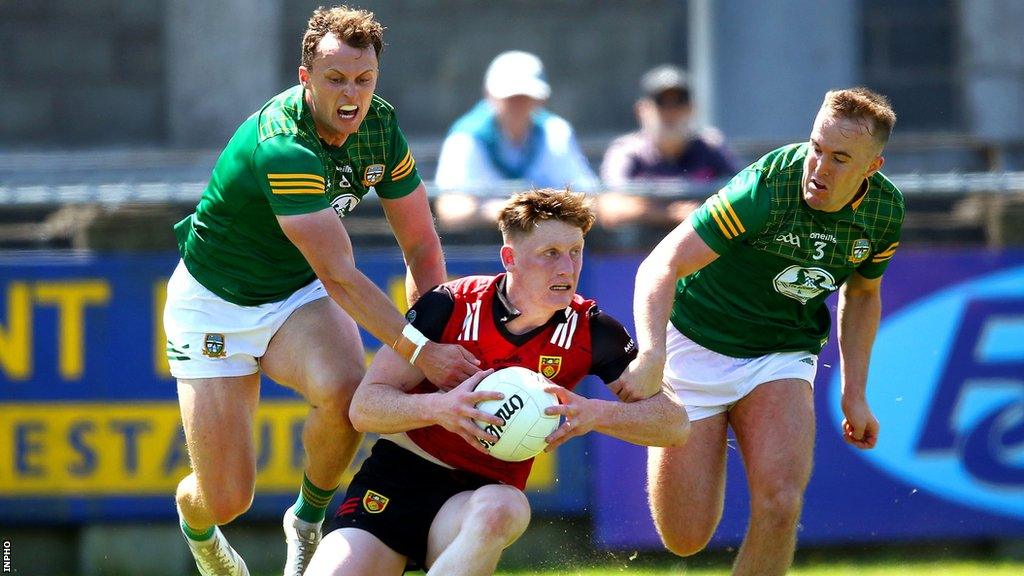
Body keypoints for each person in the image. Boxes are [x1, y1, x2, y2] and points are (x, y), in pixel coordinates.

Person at [162, 6, 479, 576]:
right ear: (306, 78)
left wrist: (438, 331)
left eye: (363, 79)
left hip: (292, 296)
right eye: (335, 79)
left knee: (348, 394)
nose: (352, 95)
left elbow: (423, 247)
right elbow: (339, 274)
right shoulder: (285, 145)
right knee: (227, 497)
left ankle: (307, 521)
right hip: (214, 305)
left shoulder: (380, 126)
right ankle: (199, 527)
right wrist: (421, 352)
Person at [304, 189, 689, 576]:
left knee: (502, 509)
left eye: (575, 251)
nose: (567, 268)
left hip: (481, 496)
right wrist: (439, 408)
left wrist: (594, 413)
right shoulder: (451, 305)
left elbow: (674, 423)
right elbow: (364, 408)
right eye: (550, 253)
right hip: (397, 480)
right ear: (510, 258)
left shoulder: (591, 330)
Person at [627, 87, 902, 575]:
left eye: (840, 159)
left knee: (781, 502)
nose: (819, 168)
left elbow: (861, 295)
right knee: (686, 538)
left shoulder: (884, 211)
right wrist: (651, 356)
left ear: (871, 168)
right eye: (816, 149)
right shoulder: (767, 187)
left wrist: (855, 393)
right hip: (695, 341)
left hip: (782, 352)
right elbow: (661, 265)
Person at [434, 51, 599, 193]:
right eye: (510, 97)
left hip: (548, 230)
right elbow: (453, 210)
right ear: (489, 95)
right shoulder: (465, 137)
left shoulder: (556, 132)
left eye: (526, 97)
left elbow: (588, 196)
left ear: (541, 99)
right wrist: (520, 213)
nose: (518, 104)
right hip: (483, 231)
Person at [600, 64, 739, 186]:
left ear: (692, 109)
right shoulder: (627, 151)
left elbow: (741, 195)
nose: (671, 112)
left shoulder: (710, 147)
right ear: (641, 110)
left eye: (679, 102)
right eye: (661, 102)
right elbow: (609, 203)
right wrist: (672, 213)